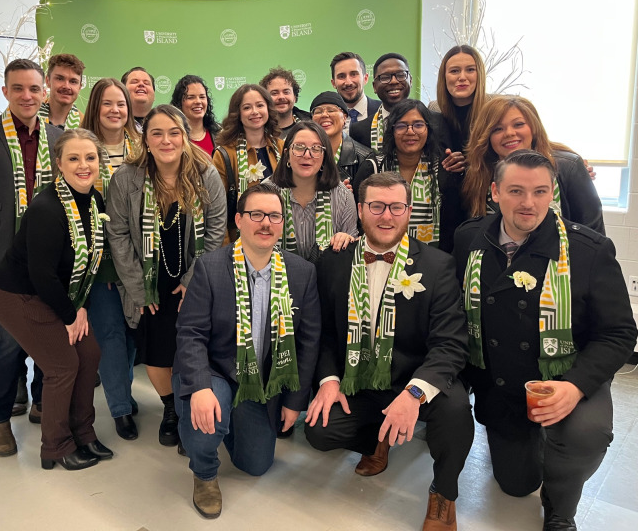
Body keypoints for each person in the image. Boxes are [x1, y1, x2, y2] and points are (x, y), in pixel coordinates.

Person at [453, 150, 637, 530]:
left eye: (540, 191)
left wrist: (575, 386)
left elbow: (619, 333)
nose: (528, 203)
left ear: (553, 191)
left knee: (587, 434)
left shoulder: (588, 250)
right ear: (495, 192)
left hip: (567, 373)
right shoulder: (469, 237)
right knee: (517, 485)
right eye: (516, 191)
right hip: (502, 381)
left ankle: (561, 507)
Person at [306, 172, 473, 531]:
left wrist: (414, 394)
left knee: (457, 412)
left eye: (396, 207)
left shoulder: (438, 265)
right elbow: (323, 334)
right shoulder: (334, 260)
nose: (386, 216)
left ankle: (443, 493)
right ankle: (377, 439)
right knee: (319, 431)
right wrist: (329, 380)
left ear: (408, 211)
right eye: (377, 206)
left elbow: (450, 343)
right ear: (361, 210)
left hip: (416, 377)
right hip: (360, 375)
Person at [173, 184, 321, 519]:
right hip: (214, 369)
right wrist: (199, 387)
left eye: (274, 216)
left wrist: (295, 402)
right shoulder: (209, 267)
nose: (265, 223)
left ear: (283, 223)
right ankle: (205, 471)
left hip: (262, 380)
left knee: (255, 465)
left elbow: (308, 342)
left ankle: (227, 421)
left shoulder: (301, 274)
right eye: (256, 215)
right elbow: (190, 332)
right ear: (239, 220)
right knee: (206, 418)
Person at [0, 128, 112, 471]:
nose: (83, 165)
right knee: (62, 365)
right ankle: (55, 446)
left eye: (90, 157)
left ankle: (83, 431)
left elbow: (89, 261)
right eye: (73, 158)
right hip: (19, 294)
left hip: (62, 294)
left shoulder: (95, 200)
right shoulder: (47, 207)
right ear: (59, 164)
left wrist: (81, 306)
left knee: (90, 353)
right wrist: (71, 316)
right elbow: (42, 275)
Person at [0, 58, 63, 457]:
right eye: (18, 88)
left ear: (44, 93)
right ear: (5, 92)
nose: (26, 95)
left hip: (50, 259)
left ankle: (41, 402)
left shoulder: (58, 136)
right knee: (8, 343)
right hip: (3, 262)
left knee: (47, 334)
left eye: (34, 89)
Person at [107, 104, 227, 449]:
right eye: (156, 133)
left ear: (185, 136)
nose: (166, 140)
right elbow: (117, 235)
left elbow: (216, 231)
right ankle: (171, 408)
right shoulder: (126, 178)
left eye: (174, 132)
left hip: (194, 277)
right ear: (145, 139)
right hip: (147, 282)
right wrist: (137, 287)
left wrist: (192, 280)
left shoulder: (206, 174)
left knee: (191, 348)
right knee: (157, 351)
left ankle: (194, 403)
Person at [80, 78, 141, 441]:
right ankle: (119, 408)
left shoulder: (141, 146)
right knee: (112, 333)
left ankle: (125, 391)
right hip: (101, 259)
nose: (115, 110)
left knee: (134, 335)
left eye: (121, 103)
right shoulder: (83, 147)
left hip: (139, 257)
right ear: (95, 108)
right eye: (107, 104)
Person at [463, 95, 604, 234]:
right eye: (497, 129)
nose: (509, 133)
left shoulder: (569, 167)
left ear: (534, 127)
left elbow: (593, 233)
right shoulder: (478, 175)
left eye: (518, 124)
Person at [353, 99, 465, 253]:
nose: (410, 132)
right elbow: (358, 218)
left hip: (432, 259)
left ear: (428, 129)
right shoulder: (373, 167)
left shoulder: (444, 167)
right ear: (392, 131)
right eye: (401, 126)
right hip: (378, 255)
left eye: (418, 125)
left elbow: (453, 224)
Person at [264, 121, 358, 263]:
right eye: (299, 147)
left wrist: (346, 240)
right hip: (275, 278)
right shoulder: (265, 192)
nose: (307, 155)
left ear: (324, 156)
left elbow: (352, 250)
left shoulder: (343, 196)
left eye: (315, 149)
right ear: (287, 154)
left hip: (326, 280)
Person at [213, 84, 284, 244]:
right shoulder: (224, 154)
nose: (255, 112)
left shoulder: (281, 147)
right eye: (247, 107)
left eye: (260, 105)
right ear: (237, 113)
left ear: (268, 109)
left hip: (280, 236)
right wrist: (225, 249)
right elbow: (217, 211)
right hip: (237, 241)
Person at [429, 45, 489, 154]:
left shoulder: (494, 108)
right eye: (454, 71)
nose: (462, 77)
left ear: (480, 74)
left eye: (470, 70)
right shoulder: (434, 109)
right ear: (444, 76)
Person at [349, 52, 411, 151]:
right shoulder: (359, 130)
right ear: (374, 86)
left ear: (410, 81)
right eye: (385, 77)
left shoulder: (434, 122)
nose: (394, 81)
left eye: (400, 75)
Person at [308, 91, 371, 189]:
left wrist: (350, 198)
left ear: (345, 117)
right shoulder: (303, 154)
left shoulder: (364, 158)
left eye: (331, 110)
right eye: (318, 111)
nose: (324, 115)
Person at [329, 51, 381, 130]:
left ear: (365, 78)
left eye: (353, 74)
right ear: (333, 83)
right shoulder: (327, 120)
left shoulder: (383, 111)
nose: (348, 82)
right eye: (341, 76)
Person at [170, 74, 221, 155]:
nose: (198, 101)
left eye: (202, 97)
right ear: (179, 103)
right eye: (191, 97)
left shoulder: (220, 133)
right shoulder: (172, 137)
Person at [259, 66, 311, 137]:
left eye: (286, 92)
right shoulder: (256, 131)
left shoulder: (312, 128)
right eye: (274, 93)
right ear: (265, 99)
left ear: (295, 97)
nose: (281, 97)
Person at [38, 53, 85, 129]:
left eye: (73, 81)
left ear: (79, 87)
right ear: (47, 81)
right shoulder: (30, 118)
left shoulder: (86, 126)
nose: (66, 86)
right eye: (60, 79)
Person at [121, 67, 155, 131]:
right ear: (122, 92)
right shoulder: (114, 125)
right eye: (134, 82)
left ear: (154, 96)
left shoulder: (164, 124)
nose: (141, 84)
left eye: (146, 83)